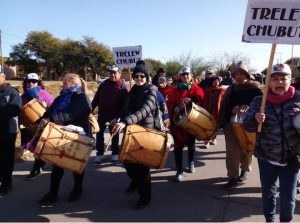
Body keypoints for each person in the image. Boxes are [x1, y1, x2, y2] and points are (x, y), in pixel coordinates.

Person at [243, 63, 300, 222]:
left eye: (283, 78)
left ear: (291, 79)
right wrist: (255, 119)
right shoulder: (258, 101)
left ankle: (285, 220)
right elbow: (247, 127)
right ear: (268, 82)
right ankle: (269, 220)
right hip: (266, 157)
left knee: (288, 197)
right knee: (268, 193)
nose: (279, 82)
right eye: (275, 79)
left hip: (291, 158)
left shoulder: (299, 98)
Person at [38, 73, 92, 206]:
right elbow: (51, 110)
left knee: (76, 163)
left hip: (78, 135)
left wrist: (52, 119)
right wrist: (42, 119)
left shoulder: (81, 97)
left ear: (73, 85)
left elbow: (74, 113)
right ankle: (53, 193)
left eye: (65, 84)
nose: (63, 86)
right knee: (57, 163)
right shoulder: (62, 97)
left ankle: (77, 188)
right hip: (60, 134)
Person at [112, 63, 157, 209]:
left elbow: (144, 111)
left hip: (145, 131)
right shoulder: (133, 91)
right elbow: (127, 109)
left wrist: (125, 121)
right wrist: (118, 118)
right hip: (131, 131)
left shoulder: (151, 90)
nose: (139, 78)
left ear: (147, 77)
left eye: (142, 76)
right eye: (136, 76)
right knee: (127, 160)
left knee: (142, 167)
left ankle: (145, 197)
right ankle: (136, 183)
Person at [218, 61, 263, 188]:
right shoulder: (230, 89)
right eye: (236, 74)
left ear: (246, 75)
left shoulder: (255, 88)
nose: (238, 76)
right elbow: (224, 107)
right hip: (231, 124)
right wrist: (232, 109)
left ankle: (244, 170)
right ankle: (232, 176)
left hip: (249, 123)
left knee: (247, 147)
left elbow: (261, 104)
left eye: (241, 74)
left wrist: (249, 107)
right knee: (232, 150)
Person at [166, 66, 204, 182]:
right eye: (183, 75)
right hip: (178, 124)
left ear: (191, 76)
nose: (185, 77)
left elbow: (201, 98)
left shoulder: (195, 88)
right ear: (180, 77)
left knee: (191, 145)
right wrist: (177, 107)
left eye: (187, 74)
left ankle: (191, 161)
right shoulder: (174, 90)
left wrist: (191, 99)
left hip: (191, 123)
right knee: (178, 148)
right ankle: (179, 170)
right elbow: (170, 104)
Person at [20, 73, 54, 179]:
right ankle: (42, 162)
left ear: (38, 82)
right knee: (35, 147)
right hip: (29, 126)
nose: (31, 84)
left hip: (42, 125)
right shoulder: (24, 95)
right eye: (28, 81)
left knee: (39, 146)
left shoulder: (44, 93)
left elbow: (54, 108)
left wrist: (46, 105)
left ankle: (36, 168)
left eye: (34, 81)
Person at [92, 65, 128, 164]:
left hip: (115, 116)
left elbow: (125, 104)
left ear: (119, 74)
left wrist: (118, 117)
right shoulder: (103, 84)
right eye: (111, 72)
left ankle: (115, 153)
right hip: (102, 114)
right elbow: (96, 99)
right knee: (99, 134)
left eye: (115, 72)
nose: (113, 74)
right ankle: (99, 154)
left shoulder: (123, 86)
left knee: (114, 134)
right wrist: (90, 110)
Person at [0, 70, 21, 196]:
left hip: (8, 131)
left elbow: (15, 110)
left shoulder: (12, 92)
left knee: (6, 158)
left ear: (3, 76)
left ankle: (6, 183)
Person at [202, 75, 225, 148]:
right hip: (209, 110)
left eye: (217, 82)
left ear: (219, 82)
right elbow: (205, 101)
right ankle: (206, 141)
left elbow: (223, 101)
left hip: (217, 111)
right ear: (211, 83)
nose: (215, 83)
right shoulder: (208, 90)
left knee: (215, 126)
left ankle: (214, 138)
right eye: (214, 82)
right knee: (207, 125)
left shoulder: (222, 90)